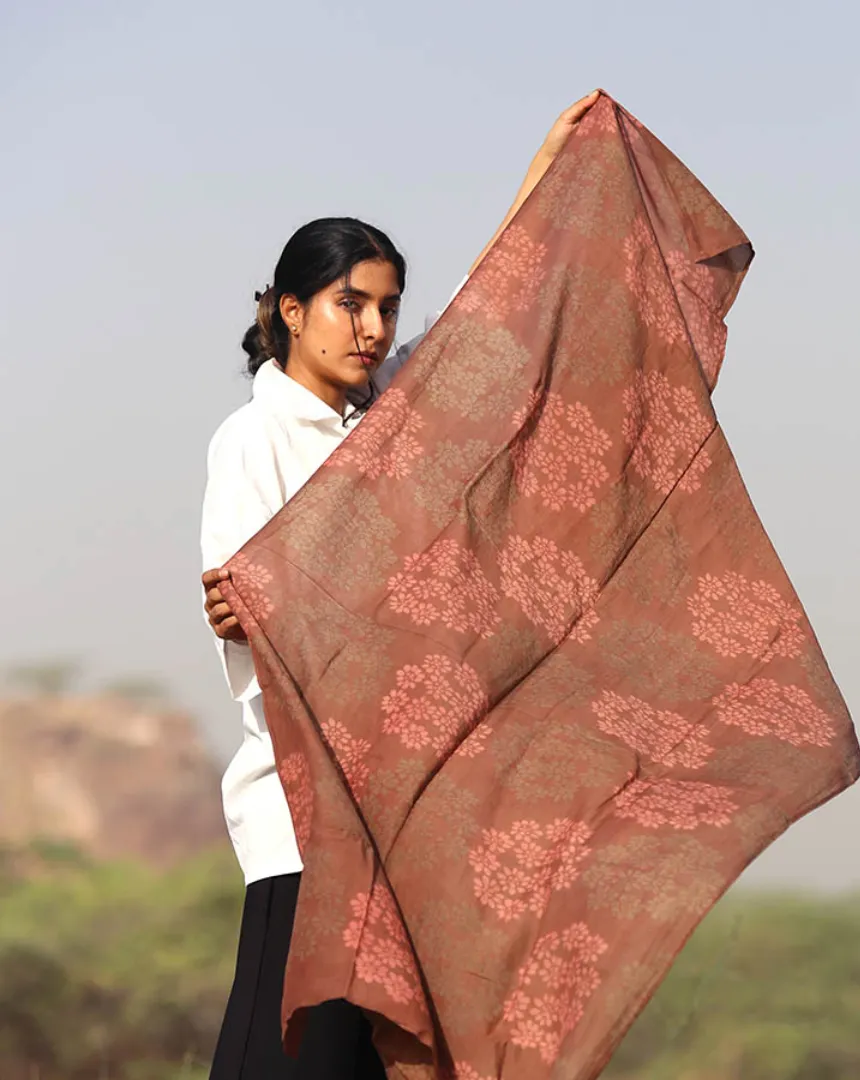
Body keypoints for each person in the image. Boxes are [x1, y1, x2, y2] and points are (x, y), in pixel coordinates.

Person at [199, 91, 600, 1080]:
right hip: (308, 815)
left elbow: (488, 309)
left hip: (405, 819)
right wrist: (263, 603)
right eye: (350, 304)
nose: (374, 328)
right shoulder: (252, 441)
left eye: (385, 307)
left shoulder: (391, 423)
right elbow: (255, 611)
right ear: (289, 311)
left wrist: (552, 167)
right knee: (289, 1054)